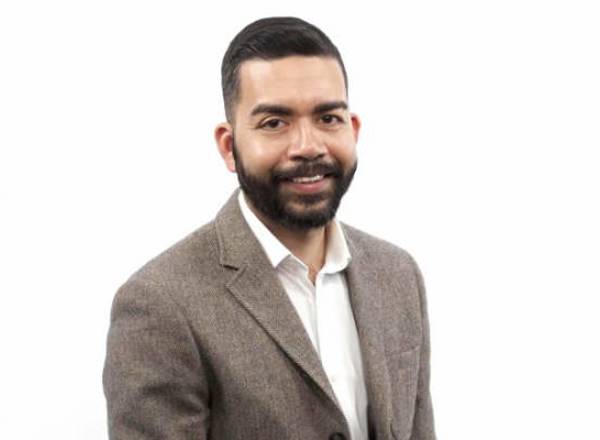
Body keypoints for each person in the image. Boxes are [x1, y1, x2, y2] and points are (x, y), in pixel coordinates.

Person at [103, 16, 436, 440]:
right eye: (275, 123)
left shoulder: (398, 274)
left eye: (328, 118)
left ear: (352, 129)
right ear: (229, 146)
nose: (308, 146)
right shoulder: (160, 304)